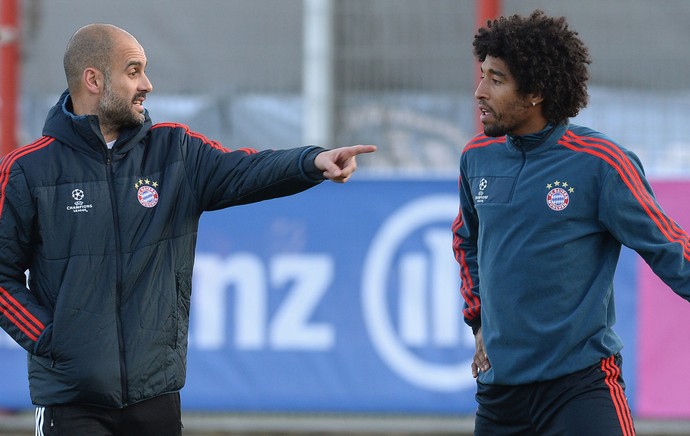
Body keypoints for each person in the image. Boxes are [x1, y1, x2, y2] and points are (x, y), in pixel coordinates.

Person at [0, 23, 375, 436]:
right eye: (133, 70)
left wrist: (311, 162)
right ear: (93, 79)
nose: (147, 83)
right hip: (71, 401)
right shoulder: (26, 171)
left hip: (156, 394)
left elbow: (245, 169)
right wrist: (52, 340)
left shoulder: (174, 151)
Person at [453, 10, 690, 436]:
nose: (479, 91)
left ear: (536, 93)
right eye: (482, 74)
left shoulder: (600, 163)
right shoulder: (476, 158)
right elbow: (465, 241)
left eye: (497, 79)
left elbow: (669, 247)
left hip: (579, 390)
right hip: (499, 396)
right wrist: (479, 321)